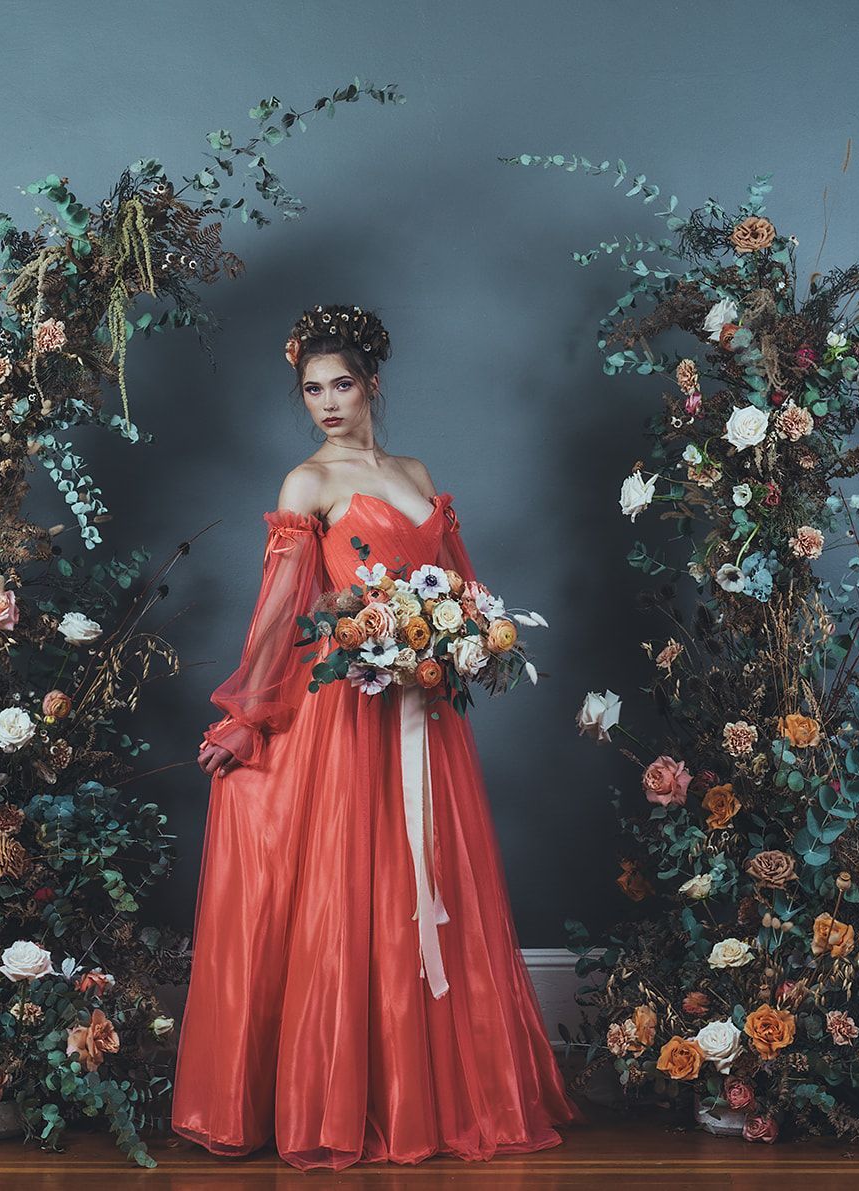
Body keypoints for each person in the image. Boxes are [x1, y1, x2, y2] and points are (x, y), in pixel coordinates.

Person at [170, 304, 583, 1170]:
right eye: (311, 389)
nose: (325, 402)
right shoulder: (305, 485)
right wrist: (248, 719)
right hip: (346, 717)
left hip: (425, 713)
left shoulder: (416, 470)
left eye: (340, 384)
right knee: (348, 889)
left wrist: (459, 636)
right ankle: (342, 1095)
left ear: (372, 385)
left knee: (420, 881)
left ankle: (425, 1093)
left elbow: (464, 591)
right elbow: (281, 617)